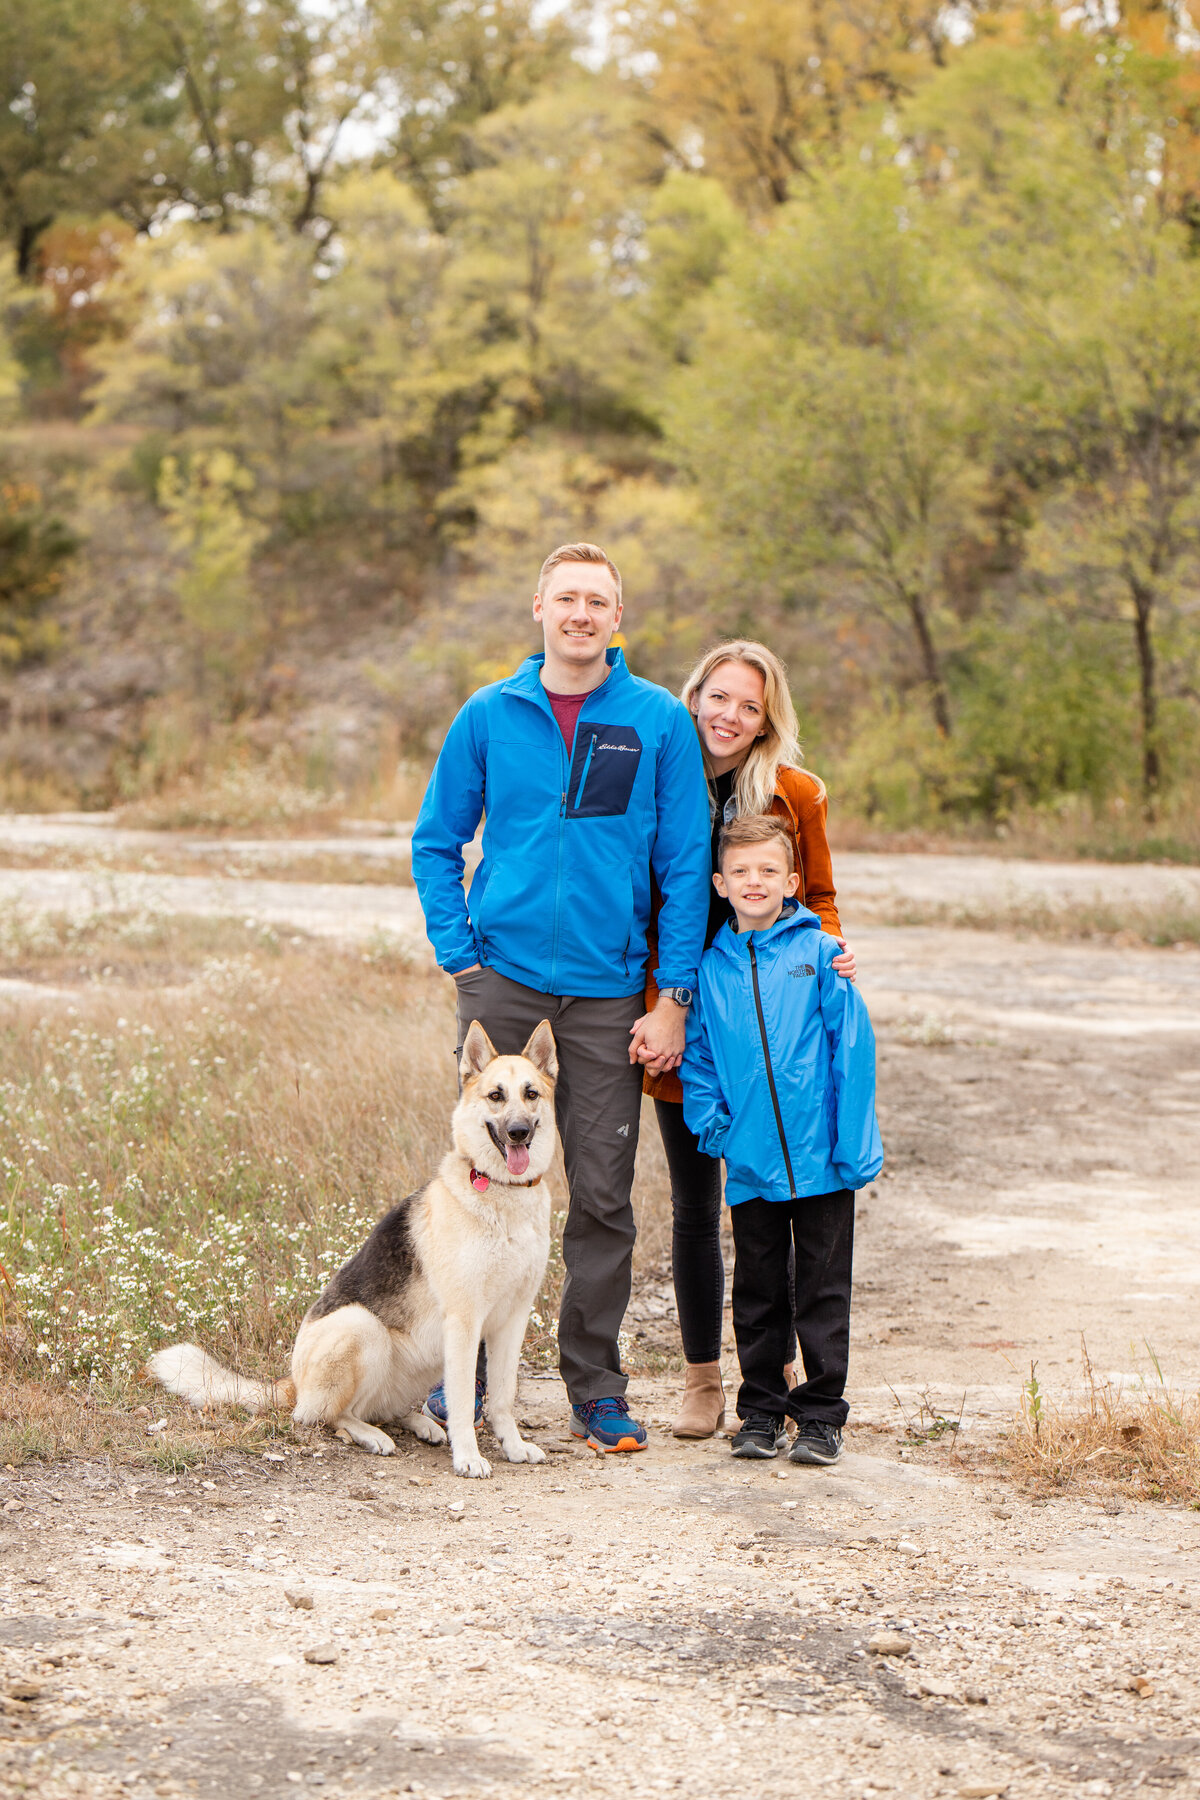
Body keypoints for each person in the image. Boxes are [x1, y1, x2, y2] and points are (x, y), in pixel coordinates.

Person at [410, 542, 712, 1453]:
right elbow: (436, 840)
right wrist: (462, 957)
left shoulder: (657, 720)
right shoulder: (489, 714)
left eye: (599, 601)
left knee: (604, 1197)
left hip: (610, 993)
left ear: (618, 620)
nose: (581, 613)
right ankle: (451, 1383)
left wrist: (673, 997)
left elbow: (686, 866)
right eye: (567, 598)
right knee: (477, 1184)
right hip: (501, 984)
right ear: (538, 607)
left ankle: (595, 1388)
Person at [635, 641, 856, 1439]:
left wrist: (828, 957)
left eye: (750, 706)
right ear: (693, 697)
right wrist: (669, 1003)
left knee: (783, 1203)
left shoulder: (793, 792)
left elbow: (821, 895)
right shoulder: (661, 777)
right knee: (697, 1206)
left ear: (768, 722)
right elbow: (645, 899)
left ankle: (785, 1381)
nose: (730, 715)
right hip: (684, 1025)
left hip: (777, 1033)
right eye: (718, 697)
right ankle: (702, 1380)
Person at [679, 814, 883, 1463]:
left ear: (792, 880)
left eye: (768, 870)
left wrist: (851, 1144)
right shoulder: (712, 969)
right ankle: (761, 1411)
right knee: (759, 1293)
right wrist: (717, 1130)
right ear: (719, 882)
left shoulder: (821, 953)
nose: (754, 881)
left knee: (823, 1292)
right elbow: (701, 1058)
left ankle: (821, 1415)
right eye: (740, 871)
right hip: (752, 1161)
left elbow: (852, 1050)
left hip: (824, 1160)